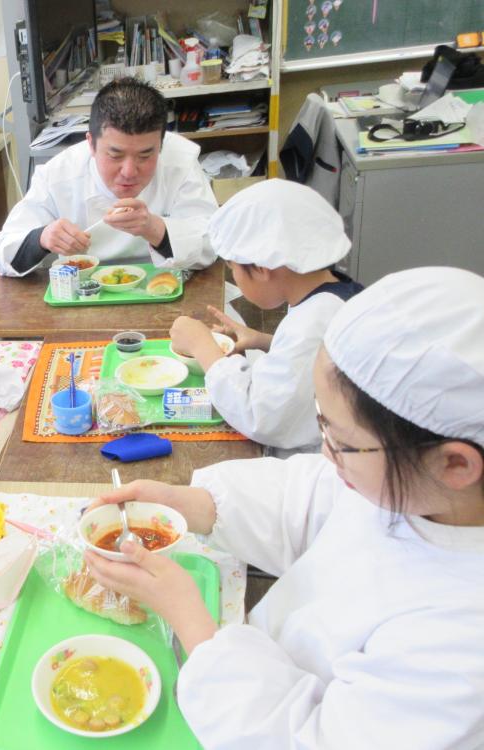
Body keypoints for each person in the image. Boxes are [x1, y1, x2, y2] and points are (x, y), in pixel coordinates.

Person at [85, 266, 484, 749]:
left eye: (343, 442)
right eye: (322, 424)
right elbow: (311, 497)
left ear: (456, 464)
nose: (325, 452)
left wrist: (190, 620)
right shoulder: (422, 489)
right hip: (259, 658)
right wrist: (193, 504)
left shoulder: (461, 646)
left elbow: (311, 740)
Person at [170, 179, 363, 454]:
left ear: (261, 267)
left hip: (323, 463)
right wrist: (264, 340)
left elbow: (261, 417)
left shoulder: (315, 321)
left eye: (233, 267)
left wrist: (203, 346)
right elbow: (313, 359)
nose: (234, 274)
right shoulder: (330, 295)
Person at [0, 77, 218, 277]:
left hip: (166, 286)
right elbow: (3, 252)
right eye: (115, 154)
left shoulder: (181, 163)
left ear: (161, 145)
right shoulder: (58, 174)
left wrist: (154, 228)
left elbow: (212, 242)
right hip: (83, 295)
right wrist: (42, 238)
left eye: (145, 155)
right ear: (91, 143)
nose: (129, 171)